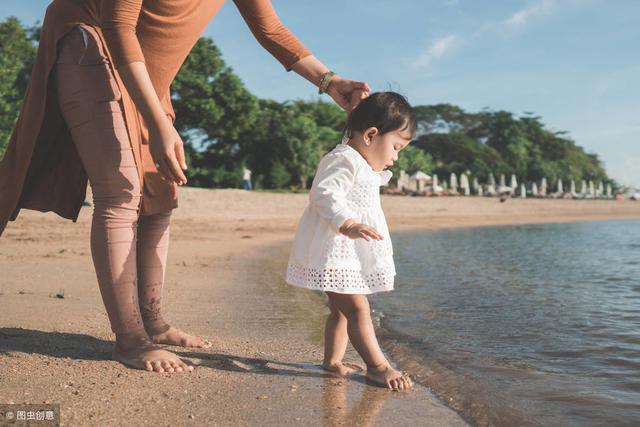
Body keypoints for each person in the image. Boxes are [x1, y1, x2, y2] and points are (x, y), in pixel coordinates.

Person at [0, 0, 370, 374]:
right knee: (122, 190)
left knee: (160, 194)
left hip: (144, 71)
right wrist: (159, 122)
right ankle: (130, 339)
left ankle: (153, 323)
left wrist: (329, 81)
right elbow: (118, 27)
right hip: (93, 44)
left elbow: (270, 30)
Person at [286, 92, 415, 391]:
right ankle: (378, 366)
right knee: (358, 308)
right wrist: (347, 223)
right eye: (396, 147)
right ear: (371, 135)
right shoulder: (344, 158)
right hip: (334, 249)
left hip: (346, 252)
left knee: (341, 310)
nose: (395, 156)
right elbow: (324, 193)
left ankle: (332, 362)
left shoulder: (364, 166)